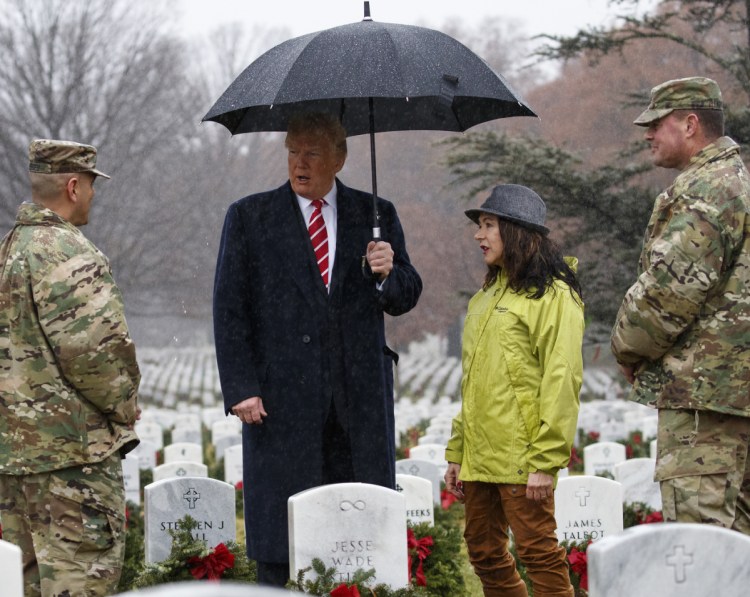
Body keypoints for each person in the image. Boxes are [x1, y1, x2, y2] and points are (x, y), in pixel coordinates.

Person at [213, 111, 422, 586]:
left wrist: (389, 272)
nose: (299, 163)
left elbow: (406, 295)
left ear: (340, 157)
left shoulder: (375, 215)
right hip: (280, 404)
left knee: (359, 536)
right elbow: (229, 309)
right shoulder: (249, 217)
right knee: (280, 545)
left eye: (311, 152)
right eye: (292, 151)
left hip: (357, 405)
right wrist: (242, 387)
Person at [0, 139, 140, 596]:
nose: (94, 196)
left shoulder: (9, 251)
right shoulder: (66, 253)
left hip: (12, 462)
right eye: (92, 186)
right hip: (71, 467)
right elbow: (97, 356)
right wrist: (125, 406)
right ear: (74, 187)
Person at [611, 77, 750, 532]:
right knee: (736, 549)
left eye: (656, 122)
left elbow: (668, 293)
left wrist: (629, 348)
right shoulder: (737, 181)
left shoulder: (705, 191)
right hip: (734, 396)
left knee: (701, 546)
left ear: (691, 124)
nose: (647, 133)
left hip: (705, 401)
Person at [444, 184, 584, 597]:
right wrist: (458, 451)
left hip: (524, 456)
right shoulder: (484, 298)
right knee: (484, 553)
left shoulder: (555, 295)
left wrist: (546, 460)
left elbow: (563, 378)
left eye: (488, 225)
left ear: (517, 231)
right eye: (479, 225)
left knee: (539, 555)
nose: (478, 235)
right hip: (481, 455)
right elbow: (474, 381)